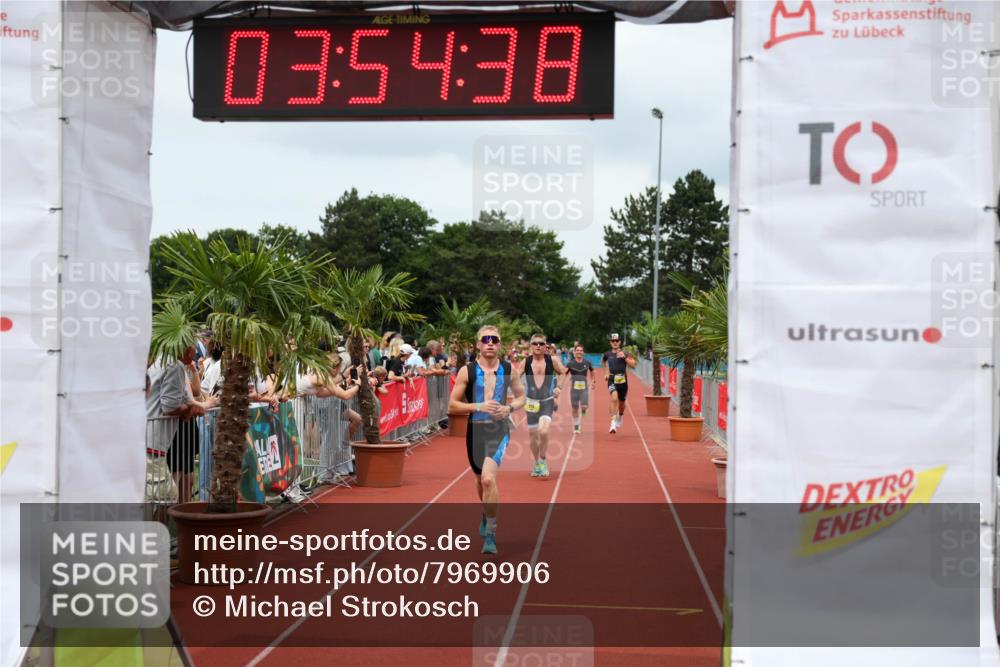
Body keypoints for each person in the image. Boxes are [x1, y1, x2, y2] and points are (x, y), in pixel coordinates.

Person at [449, 325, 526, 555]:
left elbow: (522, 397)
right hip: (475, 430)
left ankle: (491, 533)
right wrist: (479, 406)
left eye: (495, 339)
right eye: (486, 339)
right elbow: (452, 405)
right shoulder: (467, 372)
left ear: (500, 344)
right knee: (479, 480)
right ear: (478, 344)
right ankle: (486, 511)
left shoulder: (508, 369)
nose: (490, 343)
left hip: (498, 430)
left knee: (488, 480)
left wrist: (509, 407)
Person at [146, 345, 219, 504]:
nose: (195, 354)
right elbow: (170, 407)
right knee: (164, 497)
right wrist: (192, 409)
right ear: (185, 349)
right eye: (192, 348)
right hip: (153, 442)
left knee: (166, 494)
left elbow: (187, 399)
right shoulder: (174, 364)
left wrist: (192, 408)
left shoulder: (166, 362)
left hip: (153, 440)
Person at [523, 334, 567, 478]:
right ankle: (536, 463)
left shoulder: (552, 359)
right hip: (531, 403)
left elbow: (563, 373)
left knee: (543, 431)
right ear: (531, 346)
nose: (538, 346)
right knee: (533, 437)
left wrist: (559, 387)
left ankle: (542, 460)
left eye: (541, 344)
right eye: (535, 343)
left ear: (545, 346)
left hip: (547, 401)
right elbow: (515, 377)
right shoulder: (526, 361)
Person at [602, 333, 637, 433]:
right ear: (610, 343)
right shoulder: (607, 354)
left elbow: (634, 365)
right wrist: (606, 373)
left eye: (617, 341)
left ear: (620, 342)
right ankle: (612, 424)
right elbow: (603, 362)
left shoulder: (625, 352)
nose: (615, 343)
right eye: (613, 341)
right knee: (614, 397)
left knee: (622, 404)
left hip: (623, 381)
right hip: (612, 379)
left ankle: (620, 416)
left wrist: (625, 358)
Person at [566, 344, 596, 434]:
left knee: (584, 406)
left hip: (584, 388)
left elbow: (592, 371)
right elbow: (564, 373)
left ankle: (583, 410)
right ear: (574, 352)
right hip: (573, 389)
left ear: (583, 352)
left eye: (581, 350)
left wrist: (593, 381)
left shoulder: (587, 363)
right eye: (577, 350)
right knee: (575, 408)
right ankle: (576, 426)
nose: (579, 352)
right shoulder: (570, 363)